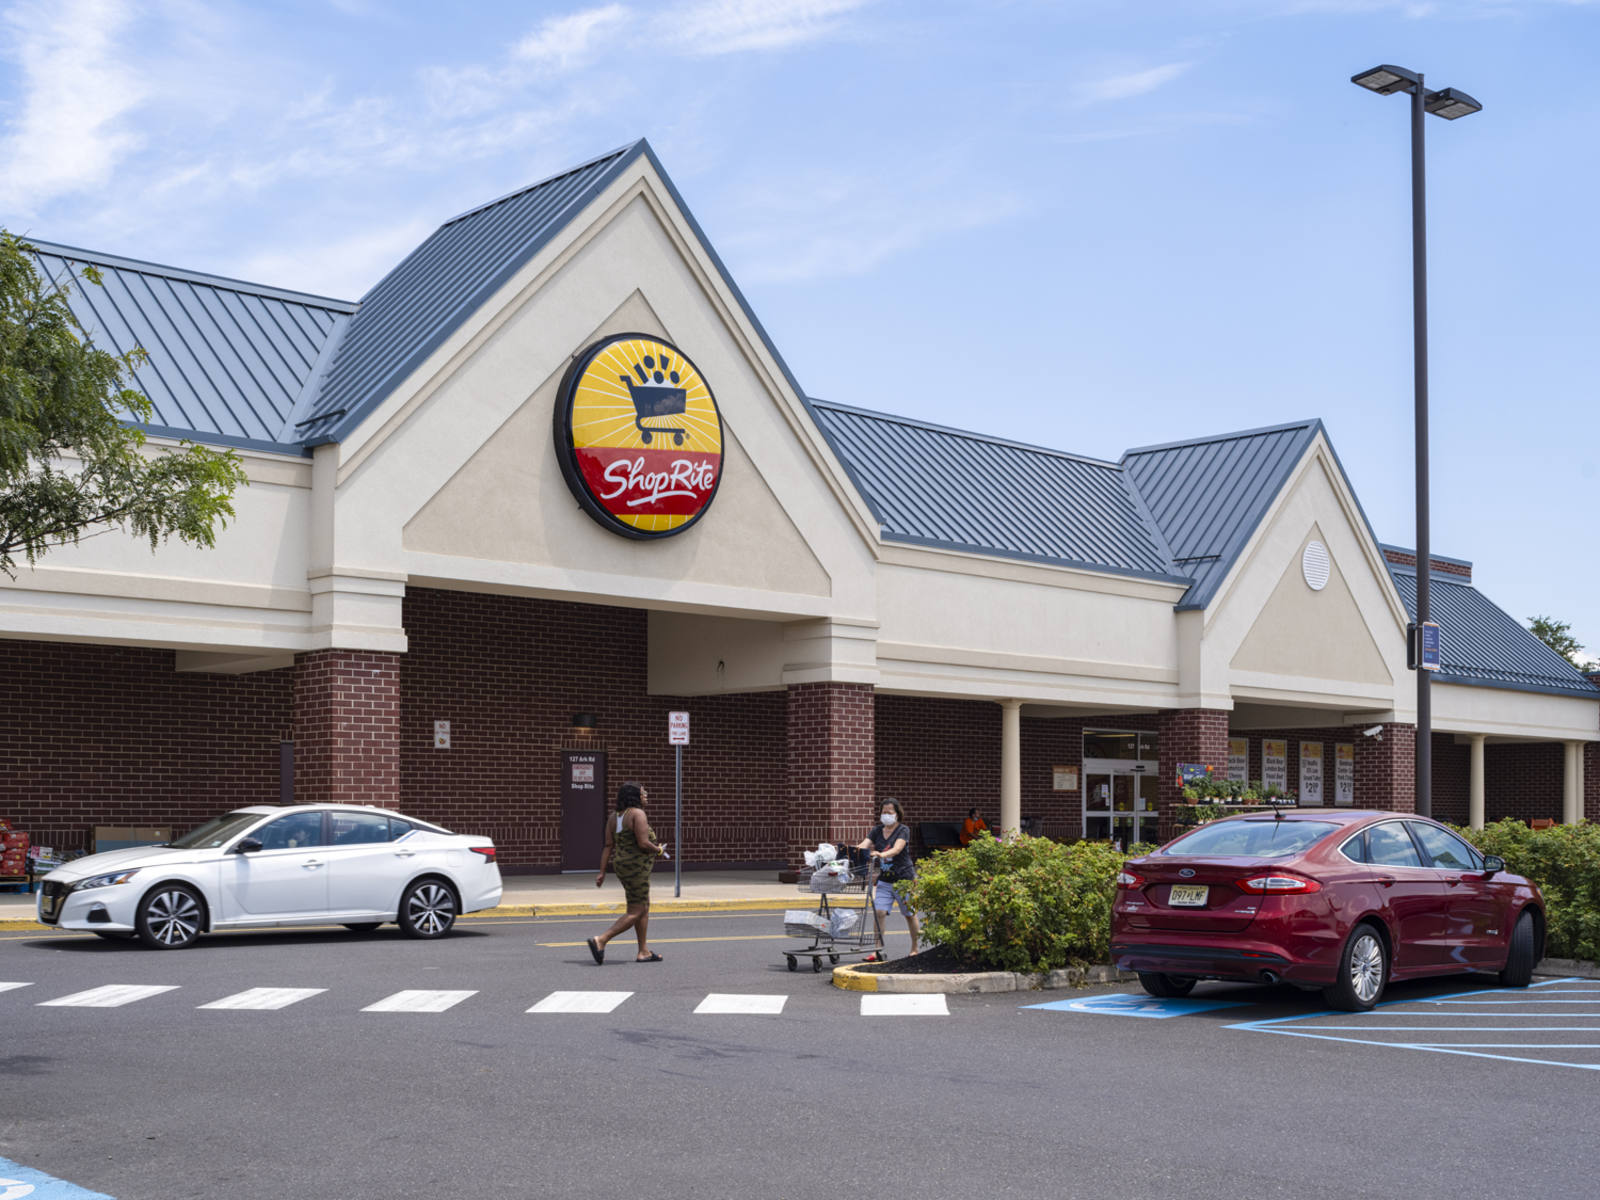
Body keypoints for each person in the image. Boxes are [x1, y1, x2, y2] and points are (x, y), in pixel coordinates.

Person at [588, 782, 669, 964]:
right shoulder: (637, 814)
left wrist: (602, 872)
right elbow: (643, 843)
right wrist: (658, 850)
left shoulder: (613, 817)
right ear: (635, 796)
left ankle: (643, 951)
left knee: (643, 905)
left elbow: (608, 846)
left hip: (622, 865)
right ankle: (601, 940)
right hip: (636, 867)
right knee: (636, 910)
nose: (646, 796)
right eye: (643, 793)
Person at [856, 798, 919, 959]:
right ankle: (877, 950)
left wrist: (881, 854)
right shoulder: (877, 830)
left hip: (904, 879)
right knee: (879, 912)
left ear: (897, 814)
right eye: (883, 812)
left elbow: (897, 849)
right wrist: (851, 851)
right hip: (885, 880)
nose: (886, 815)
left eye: (889, 812)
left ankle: (914, 948)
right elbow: (864, 844)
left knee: (909, 914)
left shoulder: (903, 830)